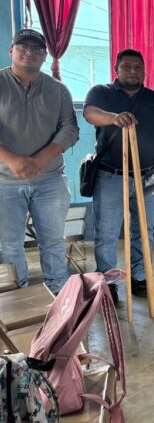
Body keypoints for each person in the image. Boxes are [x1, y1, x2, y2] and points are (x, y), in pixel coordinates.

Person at [84, 49, 154, 303]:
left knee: (144, 230)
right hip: (111, 175)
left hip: (148, 175)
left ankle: (140, 277)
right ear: (116, 70)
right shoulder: (102, 92)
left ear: (144, 71)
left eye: (138, 67)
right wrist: (114, 118)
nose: (133, 71)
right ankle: (108, 283)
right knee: (107, 232)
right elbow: (90, 113)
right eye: (126, 67)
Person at [0, 29, 79, 293]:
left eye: (36, 49)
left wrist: (43, 157)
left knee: (53, 242)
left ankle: (58, 294)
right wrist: (11, 159)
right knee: (9, 245)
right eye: (23, 47)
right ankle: (17, 297)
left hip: (50, 181)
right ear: (11, 51)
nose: (29, 52)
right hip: (4, 182)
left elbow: (70, 128)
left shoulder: (58, 90)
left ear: (45, 56)